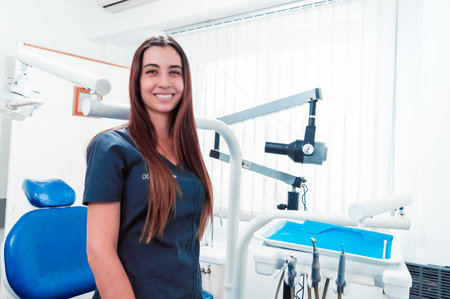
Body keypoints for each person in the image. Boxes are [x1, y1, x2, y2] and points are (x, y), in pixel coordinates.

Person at [83, 35, 213, 299]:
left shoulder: (187, 151)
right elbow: (99, 249)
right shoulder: (112, 148)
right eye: (152, 71)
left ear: (184, 82)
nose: (164, 82)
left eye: (174, 73)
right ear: (138, 81)